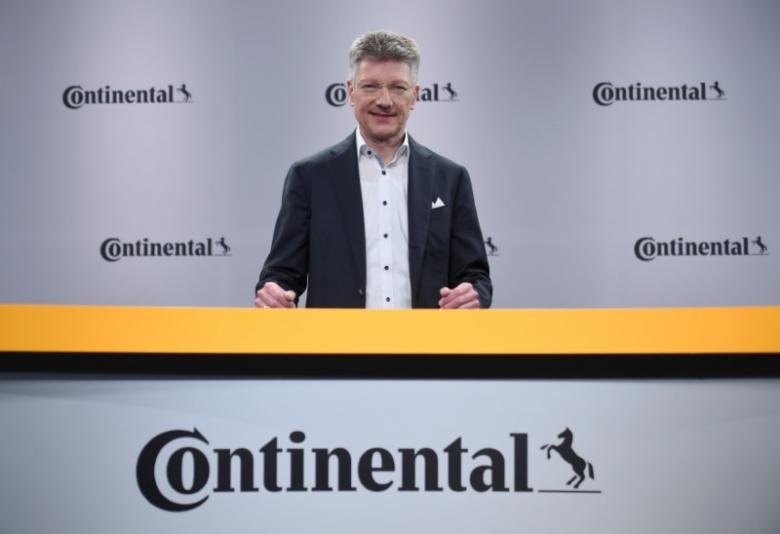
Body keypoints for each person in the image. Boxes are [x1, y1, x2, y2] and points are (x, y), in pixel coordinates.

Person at [255, 30, 491, 309]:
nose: (385, 100)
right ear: (349, 92)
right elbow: (281, 275)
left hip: (426, 349)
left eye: (398, 87)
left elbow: (476, 277)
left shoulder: (451, 179)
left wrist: (472, 294)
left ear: (415, 96)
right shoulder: (309, 177)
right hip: (337, 348)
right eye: (370, 86)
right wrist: (274, 293)